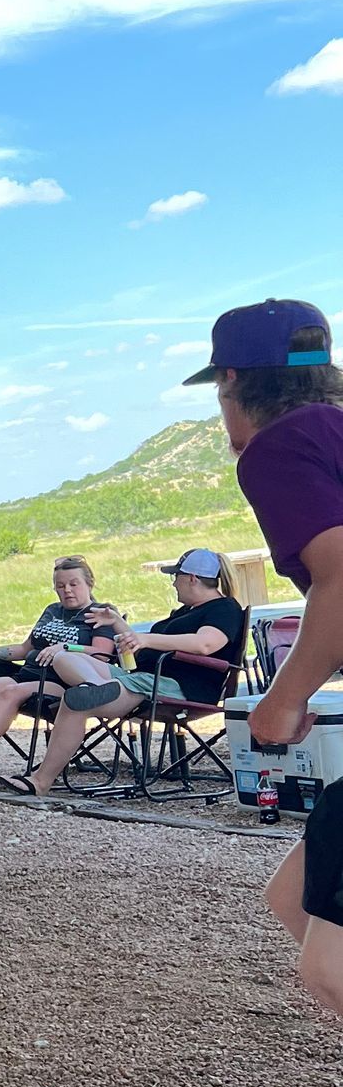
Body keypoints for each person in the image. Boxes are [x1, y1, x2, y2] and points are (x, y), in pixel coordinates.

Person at [183, 300, 343, 1013]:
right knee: (291, 898)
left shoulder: (281, 446)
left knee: (332, 966)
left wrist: (281, 700)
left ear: (232, 382)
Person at [0, 548, 247, 796]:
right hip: (140, 678)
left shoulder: (223, 609)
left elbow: (206, 644)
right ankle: (95, 685)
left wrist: (148, 639)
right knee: (63, 657)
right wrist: (116, 622)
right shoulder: (185, 613)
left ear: (191, 578)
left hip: (175, 687)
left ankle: (40, 781)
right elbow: (139, 645)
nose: (173, 583)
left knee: (74, 701)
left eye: (176, 576)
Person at [0, 556, 121, 786]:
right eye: (60, 586)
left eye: (73, 583)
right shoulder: (52, 611)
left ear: (89, 583)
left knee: (11, 692)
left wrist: (66, 648)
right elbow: (24, 649)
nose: (67, 590)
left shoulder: (100, 613)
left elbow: (101, 654)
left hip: (65, 682)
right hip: (28, 674)